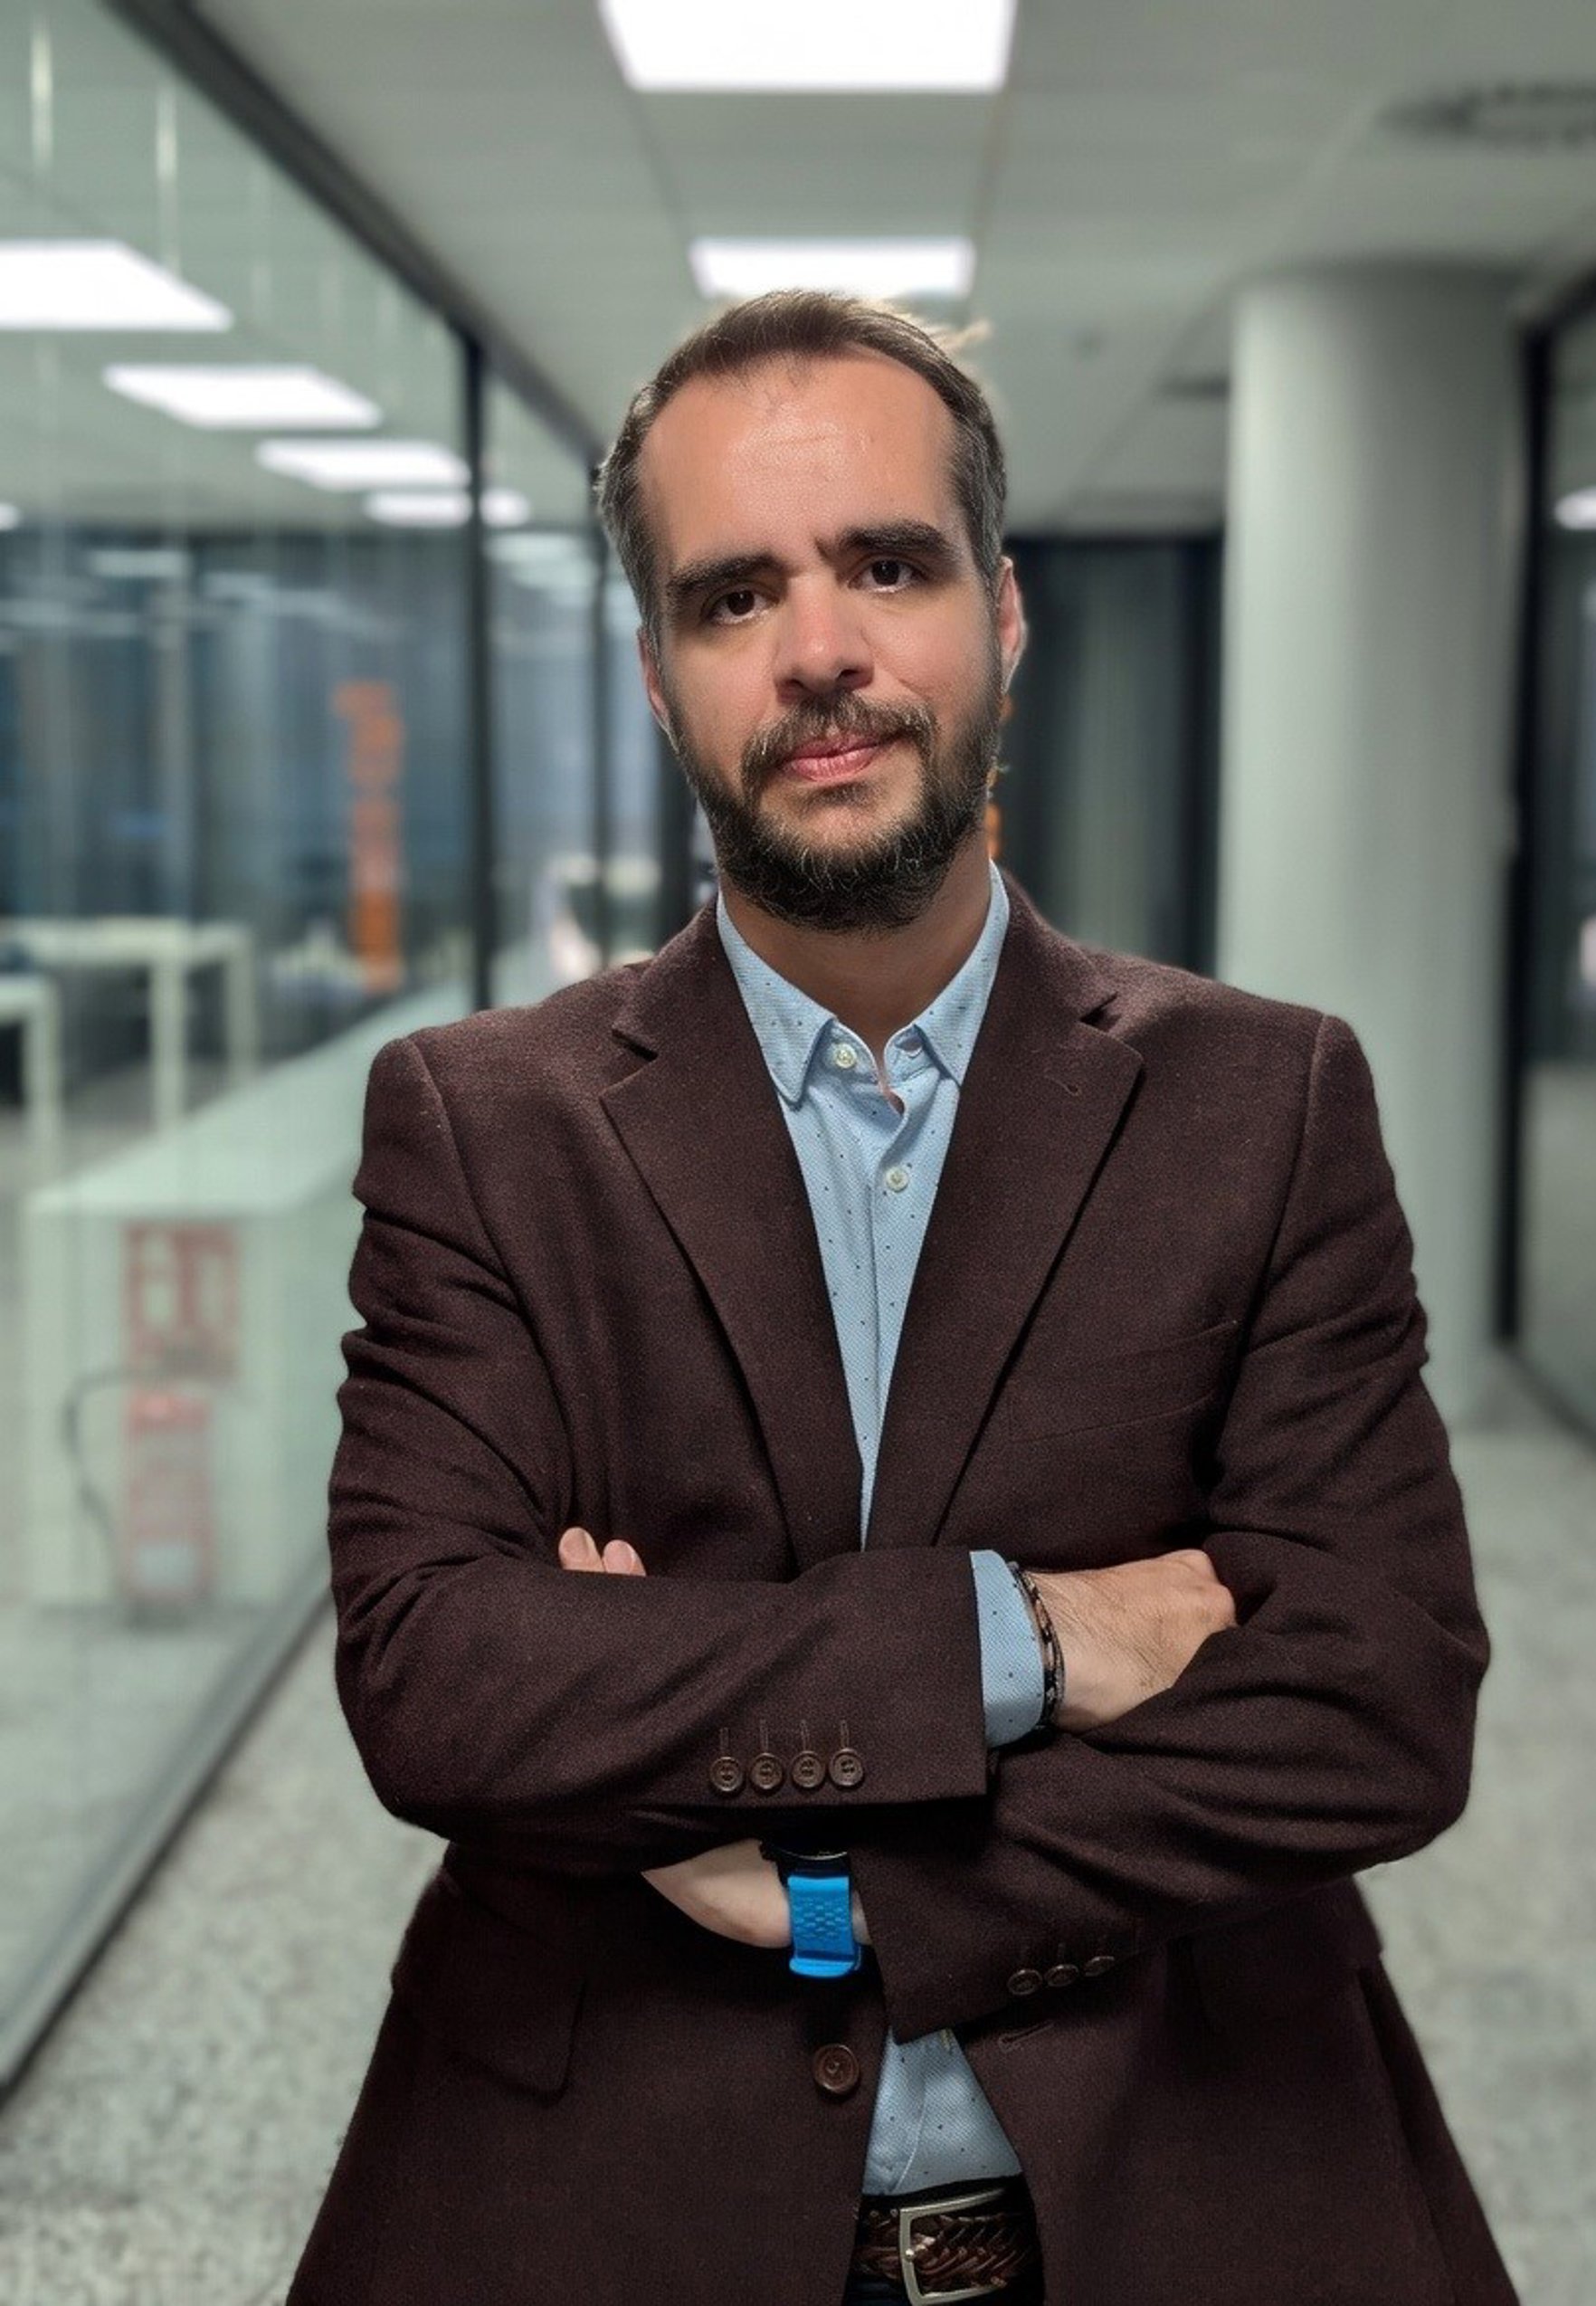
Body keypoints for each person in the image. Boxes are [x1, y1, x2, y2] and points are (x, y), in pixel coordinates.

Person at [289, 291, 1519, 2306]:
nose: (820, 650)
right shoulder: (483, 1125)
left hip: (1187, 2175)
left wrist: (843, 1891)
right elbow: (439, 1677)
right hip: (607, 2194)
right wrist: (1031, 1635)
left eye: (887, 564)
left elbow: (1380, 1699)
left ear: (1002, 617)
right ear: (660, 676)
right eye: (734, 594)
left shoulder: (1266, 1100)